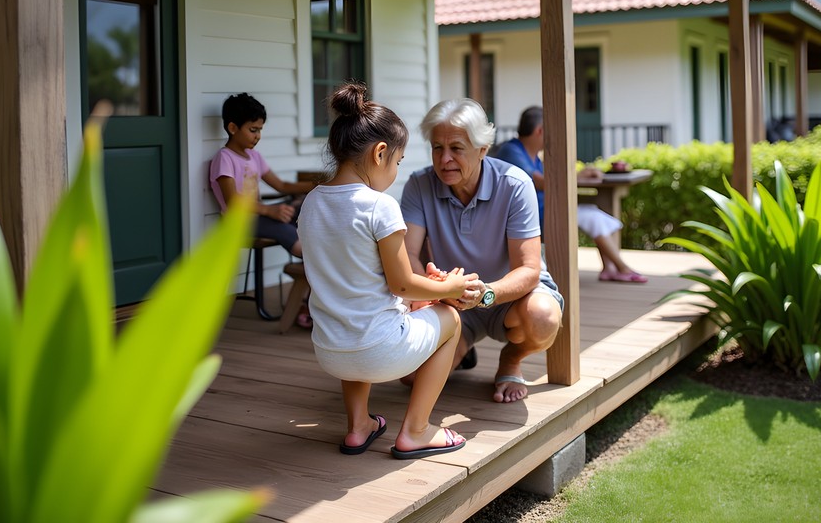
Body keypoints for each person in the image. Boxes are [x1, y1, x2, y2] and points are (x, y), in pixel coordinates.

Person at [297, 82, 475, 459]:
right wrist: (450, 287)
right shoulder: (379, 206)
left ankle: (358, 426)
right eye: (397, 162)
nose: (395, 171)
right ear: (380, 154)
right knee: (451, 320)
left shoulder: (311, 203)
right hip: (378, 352)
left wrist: (421, 290)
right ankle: (416, 430)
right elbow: (402, 284)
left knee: (358, 316)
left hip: (329, 350)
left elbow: (365, 280)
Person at [401, 98, 564, 404]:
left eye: (456, 148)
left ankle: (511, 360)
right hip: (452, 300)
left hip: (511, 298)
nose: (444, 158)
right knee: (411, 379)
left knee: (543, 318)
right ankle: (460, 347)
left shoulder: (515, 184)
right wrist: (431, 285)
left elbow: (529, 270)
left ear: (482, 150)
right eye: (437, 147)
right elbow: (408, 255)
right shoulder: (419, 185)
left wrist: (485, 293)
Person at [496, 106, 647, 284]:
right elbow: (540, 182)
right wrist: (578, 176)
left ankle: (611, 269)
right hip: (533, 216)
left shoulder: (533, 156)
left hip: (547, 210)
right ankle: (622, 268)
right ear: (540, 130)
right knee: (592, 216)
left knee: (596, 214)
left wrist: (576, 176)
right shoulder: (511, 150)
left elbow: (549, 181)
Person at [210, 92, 317, 328]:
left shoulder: (254, 157)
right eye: (253, 129)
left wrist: (316, 186)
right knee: (283, 225)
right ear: (232, 127)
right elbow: (234, 202)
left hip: (261, 215)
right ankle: (315, 261)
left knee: (301, 207)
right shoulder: (224, 158)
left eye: (260, 130)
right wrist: (271, 211)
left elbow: (281, 186)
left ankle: (311, 285)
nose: (258, 136)